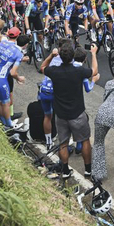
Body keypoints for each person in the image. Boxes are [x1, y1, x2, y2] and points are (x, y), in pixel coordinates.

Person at [41, 40, 98, 178]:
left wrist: (51, 56)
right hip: (77, 113)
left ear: (60, 56)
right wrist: (94, 54)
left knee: (63, 143)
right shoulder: (78, 71)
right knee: (84, 140)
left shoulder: (54, 71)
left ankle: (65, 171)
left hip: (61, 114)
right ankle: (88, 170)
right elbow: (94, 71)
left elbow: (43, 67)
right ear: (73, 57)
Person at [0, 25, 27, 128]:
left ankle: (3, 122)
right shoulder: (18, 52)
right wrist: (19, 78)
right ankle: (9, 125)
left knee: (0, 102)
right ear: (17, 36)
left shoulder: (3, 42)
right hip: (1, 79)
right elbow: (13, 72)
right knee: (6, 103)